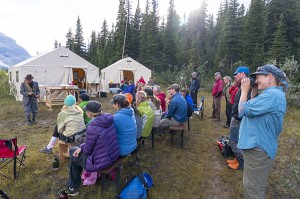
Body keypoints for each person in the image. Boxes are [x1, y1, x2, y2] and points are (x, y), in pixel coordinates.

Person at [238, 64, 286, 198]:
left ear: (270, 77)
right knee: (252, 185)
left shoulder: (272, 95)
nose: (256, 80)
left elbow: (242, 110)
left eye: (258, 77)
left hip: (258, 149)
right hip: (257, 148)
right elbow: (255, 111)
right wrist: (253, 93)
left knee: (253, 190)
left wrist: (244, 91)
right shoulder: (271, 94)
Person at [61, 101, 120, 196]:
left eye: (86, 111)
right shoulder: (108, 119)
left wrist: (81, 148)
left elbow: (88, 150)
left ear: (89, 113)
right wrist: (81, 147)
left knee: (73, 154)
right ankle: (73, 182)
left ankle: (73, 188)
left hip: (103, 161)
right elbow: (95, 142)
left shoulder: (92, 127)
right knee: (75, 152)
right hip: (113, 155)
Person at [226, 66, 250, 170]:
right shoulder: (241, 86)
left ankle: (241, 163)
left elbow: (245, 104)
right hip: (236, 116)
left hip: (238, 118)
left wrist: (237, 116)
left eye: (237, 74)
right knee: (235, 139)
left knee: (233, 140)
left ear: (243, 74)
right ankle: (237, 159)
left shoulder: (246, 87)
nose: (235, 76)